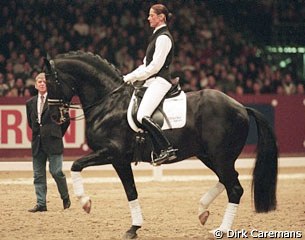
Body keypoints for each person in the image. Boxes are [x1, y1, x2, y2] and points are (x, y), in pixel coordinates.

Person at [123, 4, 177, 165]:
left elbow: (155, 67)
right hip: (151, 81)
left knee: (142, 115)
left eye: (151, 15)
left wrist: (132, 77)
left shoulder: (163, 38)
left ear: (161, 17)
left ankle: (166, 148)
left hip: (160, 81)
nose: (148, 18)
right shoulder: (156, 36)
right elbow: (145, 65)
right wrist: (128, 77)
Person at [26, 72, 71, 212]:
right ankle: (41, 203)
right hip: (37, 142)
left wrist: (57, 133)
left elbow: (65, 120)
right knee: (38, 175)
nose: (42, 83)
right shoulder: (30, 103)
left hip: (53, 141)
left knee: (56, 171)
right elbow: (31, 122)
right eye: (39, 81)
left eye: (44, 81)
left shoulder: (56, 101)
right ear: (35, 85)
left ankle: (65, 196)